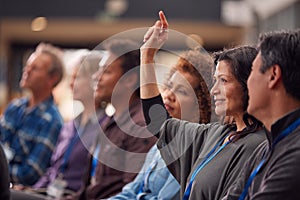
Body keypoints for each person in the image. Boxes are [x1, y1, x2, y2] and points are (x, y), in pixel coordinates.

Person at [140, 11, 266, 200]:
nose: (214, 90)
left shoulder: (259, 145)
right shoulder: (217, 134)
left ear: (249, 84)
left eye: (223, 80)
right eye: (214, 81)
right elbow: (158, 122)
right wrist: (147, 56)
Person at [108, 46, 213, 200]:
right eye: (169, 86)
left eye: (182, 91)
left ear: (201, 104)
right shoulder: (158, 146)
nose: (169, 95)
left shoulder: (193, 151)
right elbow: (130, 192)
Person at [222, 29, 300, 200]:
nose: (247, 82)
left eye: (252, 71)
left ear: (273, 75)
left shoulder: (294, 155)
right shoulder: (265, 147)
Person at [79, 39, 156, 200]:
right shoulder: (110, 121)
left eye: (106, 71)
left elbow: (130, 194)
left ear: (129, 79)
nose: (96, 77)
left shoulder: (140, 127)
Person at [28, 51, 104, 199]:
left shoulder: (105, 128)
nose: (71, 83)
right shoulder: (69, 126)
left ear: (94, 80)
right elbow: (53, 170)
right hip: (48, 193)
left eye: (77, 78)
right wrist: (31, 191)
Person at [0, 43, 64, 186]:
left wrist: (2, 172)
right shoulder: (14, 107)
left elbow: (30, 174)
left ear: (52, 79)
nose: (26, 71)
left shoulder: (52, 121)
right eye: (27, 65)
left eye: (34, 68)